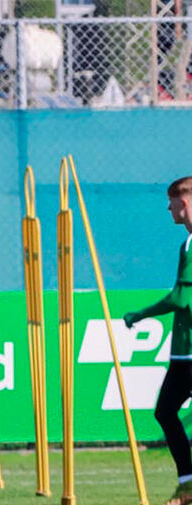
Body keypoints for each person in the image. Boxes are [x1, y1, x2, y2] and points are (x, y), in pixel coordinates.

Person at [125, 176, 192, 505]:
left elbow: (181, 298)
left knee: (166, 411)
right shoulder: (186, 244)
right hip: (183, 353)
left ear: (184, 202)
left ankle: (188, 486)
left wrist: (140, 314)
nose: (168, 208)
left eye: (171, 201)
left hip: (189, 354)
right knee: (165, 411)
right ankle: (187, 485)